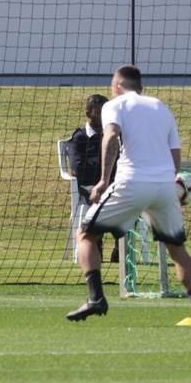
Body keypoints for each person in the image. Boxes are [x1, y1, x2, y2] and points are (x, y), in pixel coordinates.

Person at [67, 65, 191, 326]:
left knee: (86, 235)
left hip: (131, 182)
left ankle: (97, 297)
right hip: (165, 185)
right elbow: (175, 158)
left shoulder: (115, 105)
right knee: (178, 250)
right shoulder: (161, 107)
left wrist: (102, 181)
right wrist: (164, 187)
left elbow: (110, 137)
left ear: (118, 85)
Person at [66, 94, 120, 263]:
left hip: (112, 186)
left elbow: (120, 164)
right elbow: (78, 169)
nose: (105, 116)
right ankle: (96, 242)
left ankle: (121, 246)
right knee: (103, 200)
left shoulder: (112, 136)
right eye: (100, 112)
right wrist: (104, 170)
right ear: (88, 113)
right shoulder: (79, 138)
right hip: (89, 188)